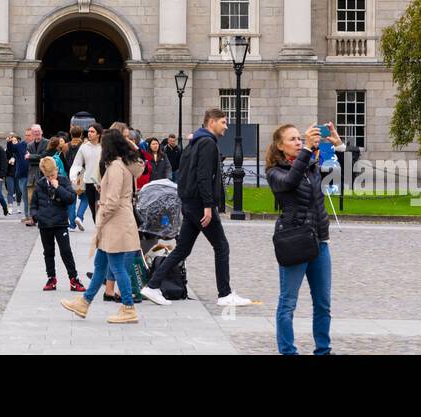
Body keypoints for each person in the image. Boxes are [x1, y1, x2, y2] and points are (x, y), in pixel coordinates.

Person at [140, 108, 251, 307]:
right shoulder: (207, 143)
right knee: (221, 246)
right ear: (212, 122)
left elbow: (184, 174)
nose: (226, 127)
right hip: (200, 205)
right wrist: (209, 206)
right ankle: (225, 294)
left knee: (182, 249)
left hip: (190, 203)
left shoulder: (195, 143)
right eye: (223, 122)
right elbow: (203, 176)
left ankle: (153, 286)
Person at [60, 128, 146, 323]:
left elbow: (113, 200)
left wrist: (101, 215)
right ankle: (84, 302)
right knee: (100, 265)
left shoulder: (116, 167)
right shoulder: (123, 164)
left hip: (115, 222)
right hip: (116, 222)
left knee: (117, 266)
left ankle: (128, 308)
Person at [267, 123, 333, 355]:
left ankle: (323, 350)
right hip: (294, 240)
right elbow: (290, 182)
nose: (298, 142)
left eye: (300, 139)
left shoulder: (310, 165)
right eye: (293, 139)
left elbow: (334, 171)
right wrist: (306, 151)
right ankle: (288, 351)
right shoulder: (275, 172)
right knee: (288, 303)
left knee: (323, 304)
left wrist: (336, 144)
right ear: (280, 146)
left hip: (319, 241)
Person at [33, 157, 84, 292]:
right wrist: (36, 215)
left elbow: (71, 198)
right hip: (45, 223)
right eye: (48, 176)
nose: (51, 178)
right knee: (48, 252)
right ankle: (51, 278)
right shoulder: (40, 184)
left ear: (56, 170)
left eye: (53, 175)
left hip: (60, 222)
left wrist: (58, 187)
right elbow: (34, 203)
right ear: (43, 173)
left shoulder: (63, 180)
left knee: (66, 251)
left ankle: (74, 279)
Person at [69, 123, 102, 232]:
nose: (89, 133)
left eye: (92, 131)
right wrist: (73, 176)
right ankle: (99, 231)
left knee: (100, 209)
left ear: (98, 134)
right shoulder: (84, 147)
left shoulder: (104, 147)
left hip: (101, 183)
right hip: (88, 182)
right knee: (93, 210)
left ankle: (101, 232)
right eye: (88, 131)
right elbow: (77, 163)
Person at [22, 125, 45, 226]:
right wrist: (35, 158)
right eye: (35, 131)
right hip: (31, 175)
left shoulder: (47, 143)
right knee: (31, 198)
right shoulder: (29, 145)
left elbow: (44, 156)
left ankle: (43, 218)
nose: (37, 133)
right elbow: (30, 161)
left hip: (43, 174)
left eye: (38, 131)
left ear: (41, 132)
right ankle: (33, 218)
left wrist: (31, 156)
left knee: (43, 198)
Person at [6, 133, 27, 209]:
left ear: (18, 141)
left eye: (15, 140)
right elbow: (4, 159)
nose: (14, 142)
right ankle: (10, 208)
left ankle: (18, 206)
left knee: (19, 191)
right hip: (10, 173)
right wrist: (8, 161)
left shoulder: (20, 150)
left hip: (18, 172)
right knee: (10, 191)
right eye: (12, 140)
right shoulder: (8, 150)